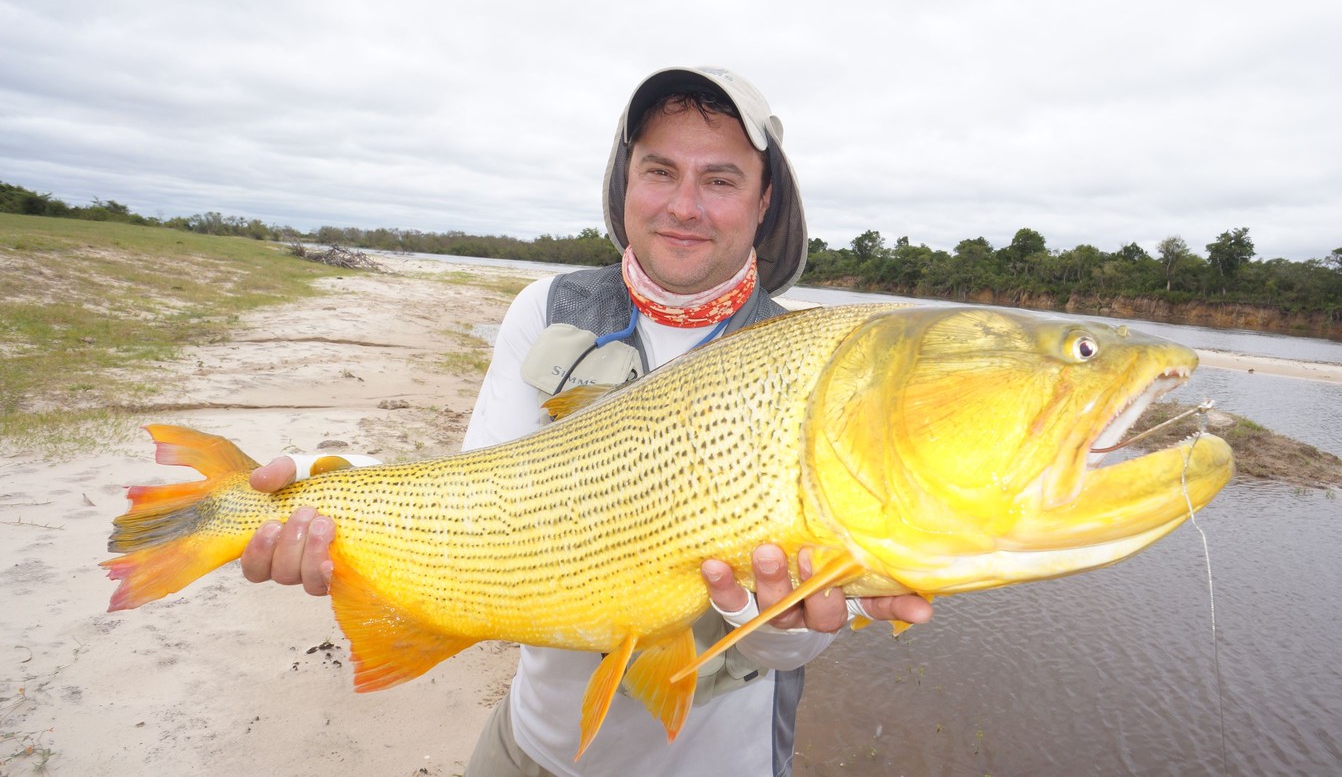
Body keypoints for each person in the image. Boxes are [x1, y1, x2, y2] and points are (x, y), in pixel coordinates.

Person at [240, 66, 932, 777]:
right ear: (624, 182)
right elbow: (477, 499)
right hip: (533, 745)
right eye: (659, 171)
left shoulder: (818, 365)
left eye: (720, 180)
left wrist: (783, 625)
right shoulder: (547, 306)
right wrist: (331, 488)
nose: (684, 206)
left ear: (764, 204)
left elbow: (794, 647)